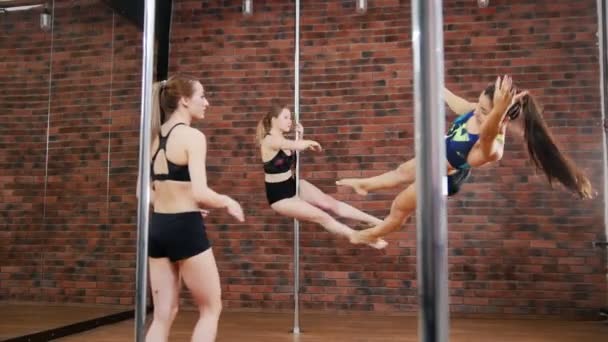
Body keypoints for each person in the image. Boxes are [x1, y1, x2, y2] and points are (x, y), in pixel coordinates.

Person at [337, 75, 593, 244]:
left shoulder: (493, 147)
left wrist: (498, 112)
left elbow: (488, 131)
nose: (478, 112)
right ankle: (365, 185)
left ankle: (371, 235)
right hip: (439, 154)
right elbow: (458, 105)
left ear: (502, 116)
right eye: (480, 107)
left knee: (399, 206)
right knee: (402, 171)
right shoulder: (476, 111)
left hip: (446, 176)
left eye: (485, 111)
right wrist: (435, 85)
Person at [138, 75, 244, 342]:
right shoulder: (192, 137)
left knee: (164, 315)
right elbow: (201, 192)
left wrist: (183, 202)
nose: (206, 102)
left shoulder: (153, 137)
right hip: (185, 229)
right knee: (210, 309)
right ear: (184, 100)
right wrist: (227, 201)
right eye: (202, 96)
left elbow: (143, 193)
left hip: (159, 229)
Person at [256, 104, 388, 249]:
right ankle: (361, 237)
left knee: (329, 203)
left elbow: (292, 151)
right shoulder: (269, 140)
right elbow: (290, 145)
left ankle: (376, 222)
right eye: (286, 118)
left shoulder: (284, 139)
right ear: (274, 120)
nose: (290, 121)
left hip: (292, 185)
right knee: (322, 217)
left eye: (290, 118)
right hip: (280, 197)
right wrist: (306, 142)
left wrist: (300, 136)